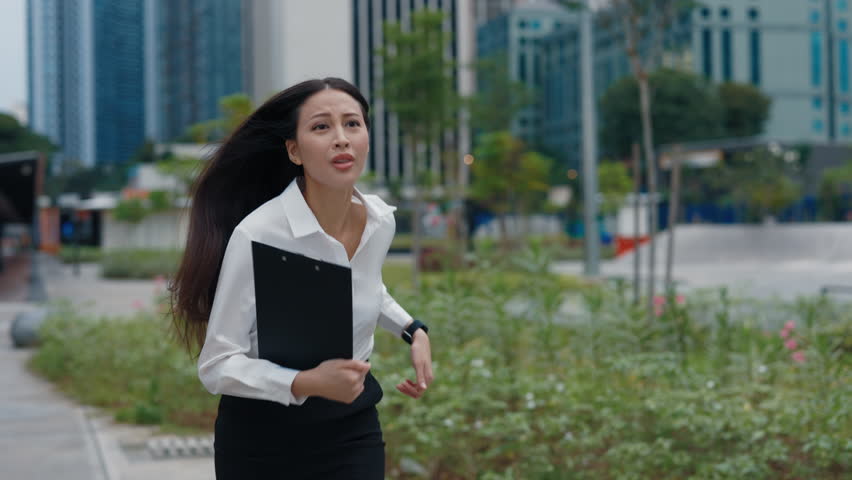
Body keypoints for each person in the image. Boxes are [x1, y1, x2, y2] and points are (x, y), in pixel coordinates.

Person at [169, 77, 434, 479]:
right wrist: (305, 382)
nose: (341, 139)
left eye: (352, 124)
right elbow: (217, 364)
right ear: (294, 150)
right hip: (262, 439)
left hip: (351, 427)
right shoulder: (258, 234)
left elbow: (365, 288)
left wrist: (413, 330)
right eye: (321, 126)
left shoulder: (380, 221)